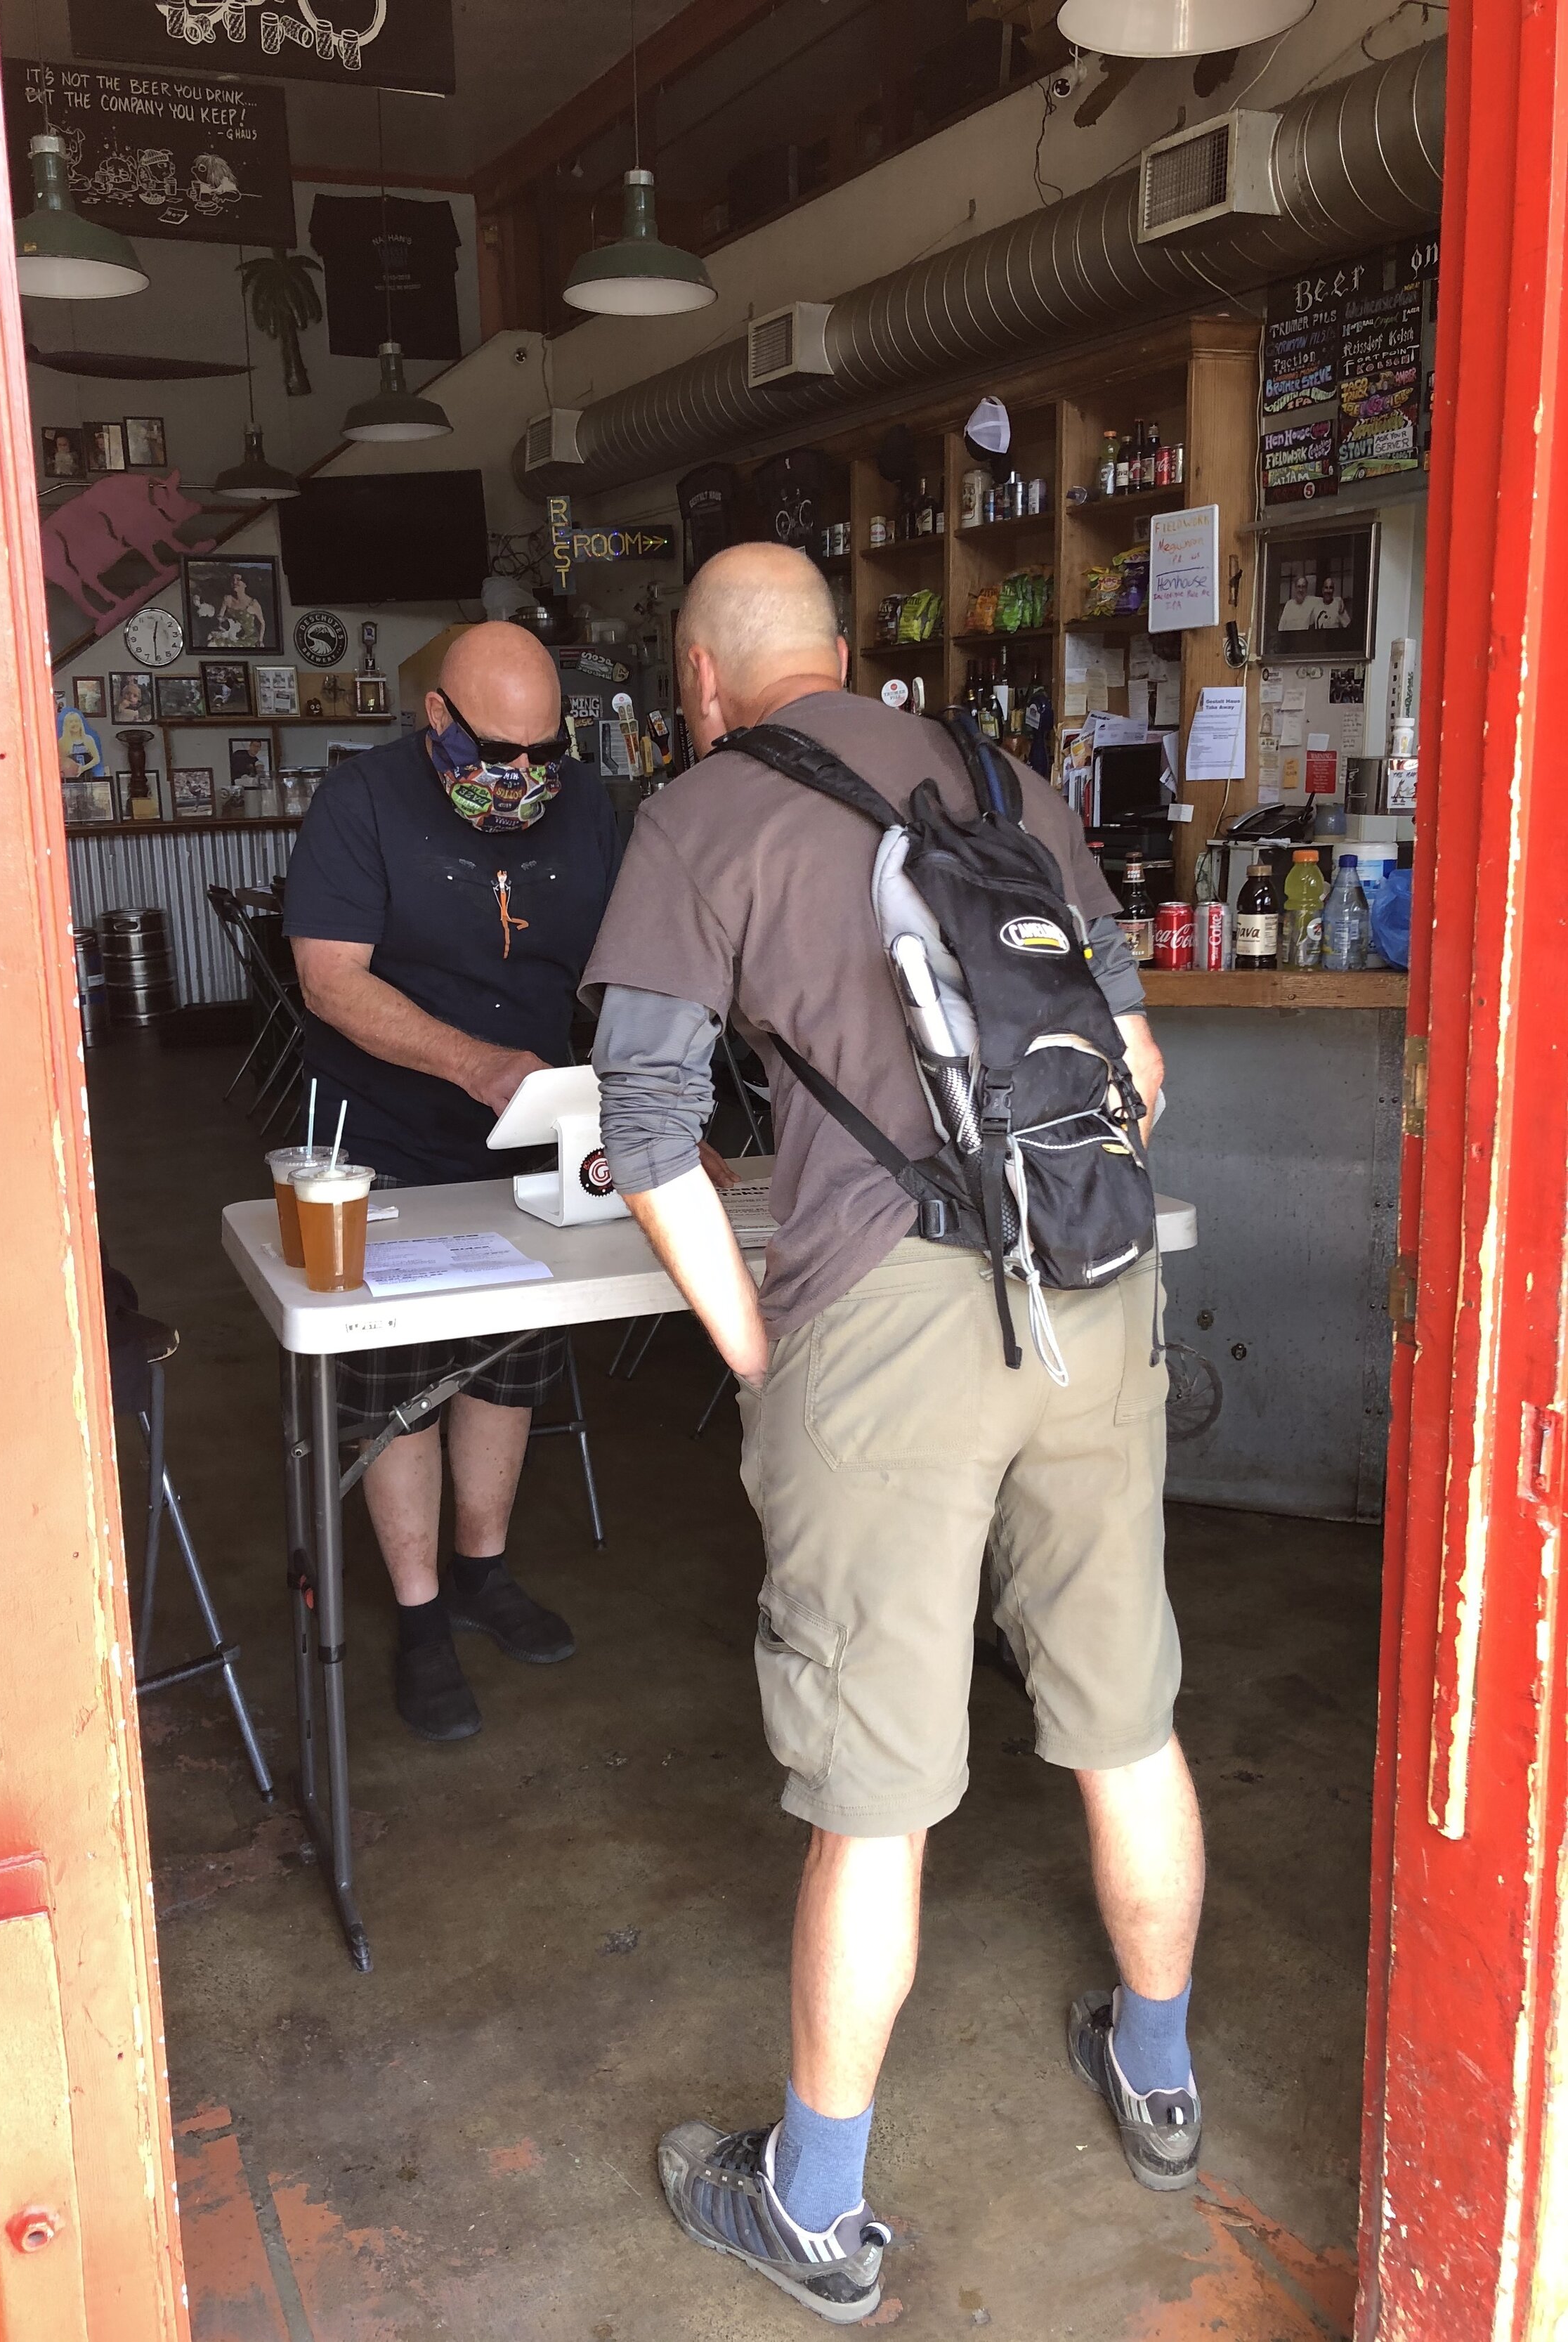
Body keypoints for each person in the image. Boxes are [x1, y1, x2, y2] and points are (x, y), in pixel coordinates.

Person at [585, 544, 1200, 2324]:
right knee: (1123, 1711)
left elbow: (641, 1135)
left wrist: (765, 1351)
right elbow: (1131, 1071)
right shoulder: (1007, 784)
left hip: (886, 1322)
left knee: (875, 1794)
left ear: (702, 680)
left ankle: (813, 2199)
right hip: (1091, 1286)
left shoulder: (704, 810)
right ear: (849, 657)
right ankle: (1156, 2075)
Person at [282, 622, 620, 1742]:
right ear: (438, 717)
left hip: (529, 1128)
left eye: (543, 750)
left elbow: (621, 971)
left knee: (508, 1365)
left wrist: (649, 1100)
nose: (523, 777)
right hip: (383, 1129)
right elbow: (331, 981)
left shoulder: (585, 805)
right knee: (393, 1377)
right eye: (497, 750)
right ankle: (420, 1618)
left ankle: (483, 1572)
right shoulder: (363, 802)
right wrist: (472, 1062)